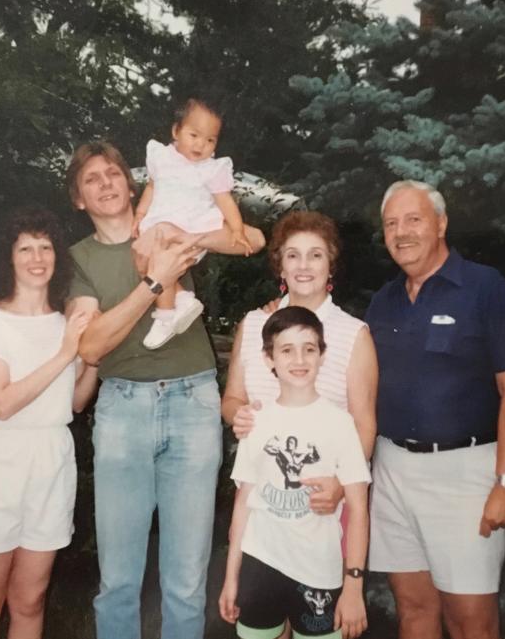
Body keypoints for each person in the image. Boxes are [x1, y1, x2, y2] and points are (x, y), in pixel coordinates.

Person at [63, 141, 255, 639]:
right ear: (79, 199)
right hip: (123, 408)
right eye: (92, 178)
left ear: (131, 185)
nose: (106, 183)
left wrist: (189, 237)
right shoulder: (81, 259)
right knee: (119, 579)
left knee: (187, 580)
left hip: (193, 403)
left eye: (113, 174)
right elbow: (90, 347)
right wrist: (155, 283)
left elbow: (250, 238)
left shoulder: (168, 222)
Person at [366, 181, 505, 639]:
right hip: (392, 471)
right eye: (391, 224)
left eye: (414, 219)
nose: (402, 232)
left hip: (465, 476)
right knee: (414, 610)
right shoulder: (384, 302)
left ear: (441, 223)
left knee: (470, 623)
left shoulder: (485, 287)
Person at [0, 206, 100, 639]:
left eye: (45, 247)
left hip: (50, 464)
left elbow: (73, 403)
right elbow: (2, 403)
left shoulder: (66, 323)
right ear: (8, 258)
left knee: (30, 600)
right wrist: (67, 354)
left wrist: (91, 361)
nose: (37, 257)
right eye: (25, 248)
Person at [219, 306, 371, 639]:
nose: (299, 359)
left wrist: (354, 585)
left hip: (319, 571)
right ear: (269, 358)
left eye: (309, 349)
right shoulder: (255, 421)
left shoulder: (341, 424)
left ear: (322, 355)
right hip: (260, 564)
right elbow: (244, 503)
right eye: (286, 350)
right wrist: (232, 578)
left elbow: (358, 508)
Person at [222, 210, 378, 508]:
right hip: (261, 494)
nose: (303, 266)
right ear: (281, 266)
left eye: (315, 255)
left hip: (323, 497)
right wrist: (238, 415)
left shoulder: (354, 334)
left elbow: (364, 425)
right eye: (293, 255)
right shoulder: (254, 325)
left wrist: (342, 484)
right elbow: (232, 398)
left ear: (330, 266)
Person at [132, 97, 264, 349]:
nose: (201, 144)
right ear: (176, 131)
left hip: (193, 226)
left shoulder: (211, 169)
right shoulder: (161, 157)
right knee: (151, 259)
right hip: (160, 223)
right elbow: (151, 187)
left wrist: (236, 229)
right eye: (194, 135)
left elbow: (225, 201)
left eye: (210, 140)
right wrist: (139, 214)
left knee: (159, 260)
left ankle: (166, 315)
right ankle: (180, 297)